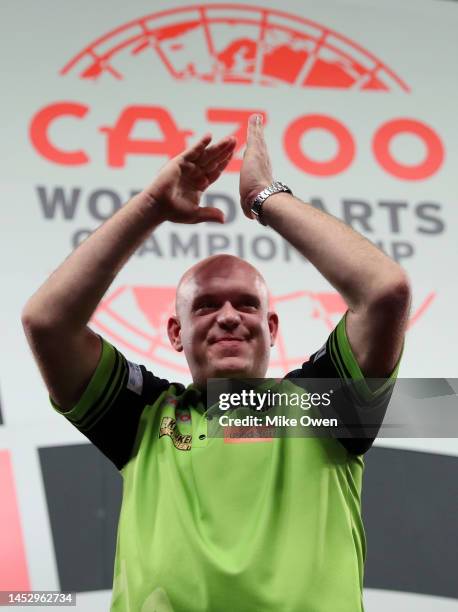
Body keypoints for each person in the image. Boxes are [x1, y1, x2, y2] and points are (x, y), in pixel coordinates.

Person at [22, 114, 411, 611]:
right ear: (176, 333)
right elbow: (46, 322)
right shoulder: (142, 416)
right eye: (206, 306)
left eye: (246, 305)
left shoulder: (324, 407)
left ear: (271, 328)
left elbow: (385, 291)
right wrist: (149, 208)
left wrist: (266, 200)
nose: (228, 317)